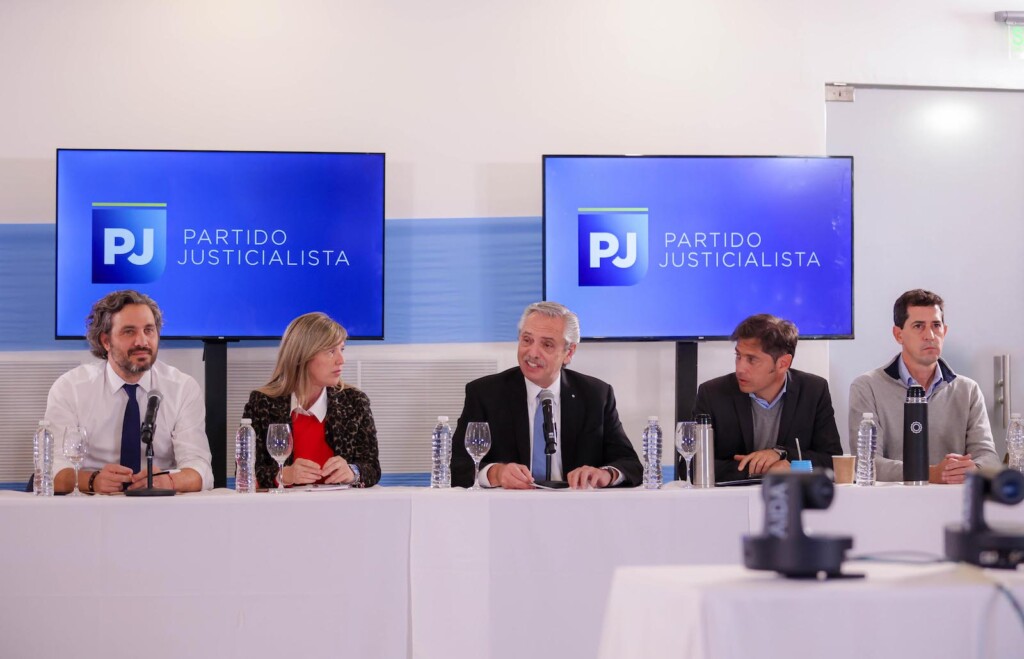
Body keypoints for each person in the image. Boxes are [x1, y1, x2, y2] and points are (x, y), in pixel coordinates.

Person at [451, 301, 642, 489]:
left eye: (547, 345)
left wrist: (605, 474)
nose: (532, 352)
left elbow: (630, 465)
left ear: (569, 352)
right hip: (508, 509)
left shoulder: (596, 396)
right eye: (527, 340)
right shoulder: (485, 393)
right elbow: (457, 466)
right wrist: (497, 473)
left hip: (576, 510)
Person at [45, 290, 213, 494]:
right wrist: (92, 480)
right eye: (129, 332)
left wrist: (169, 481)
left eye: (149, 330)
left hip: (159, 506)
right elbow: (52, 469)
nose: (142, 341)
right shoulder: (71, 388)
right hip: (92, 505)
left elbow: (200, 468)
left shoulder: (182, 388)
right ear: (106, 341)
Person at [848, 289, 1000, 483]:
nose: (929, 335)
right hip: (891, 504)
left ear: (944, 331)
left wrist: (973, 469)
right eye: (918, 326)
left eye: (936, 325)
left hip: (954, 502)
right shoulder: (867, 387)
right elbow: (866, 463)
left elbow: (988, 457)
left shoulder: (967, 390)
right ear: (898, 335)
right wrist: (930, 474)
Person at [694, 314, 842, 482]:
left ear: (783, 364)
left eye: (752, 359)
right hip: (730, 502)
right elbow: (692, 465)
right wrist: (761, 469)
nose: (740, 368)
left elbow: (833, 461)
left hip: (794, 500)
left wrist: (784, 457)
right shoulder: (712, 393)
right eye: (738, 356)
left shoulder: (813, 391)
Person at [244, 312, 380, 489]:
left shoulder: (355, 402)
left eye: (342, 349)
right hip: (282, 511)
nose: (341, 360)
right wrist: (285, 475)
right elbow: (246, 472)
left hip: (342, 510)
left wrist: (353, 472)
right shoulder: (262, 403)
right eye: (331, 351)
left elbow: (372, 468)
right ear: (303, 356)